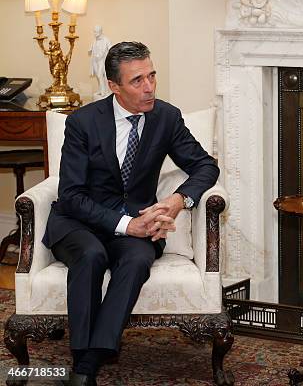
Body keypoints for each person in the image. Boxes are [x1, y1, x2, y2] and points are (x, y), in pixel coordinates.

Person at [43, 41, 220, 386]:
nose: (150, 86)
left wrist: (179, 200)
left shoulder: (166, 118)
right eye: (138, 80)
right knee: (92, 255)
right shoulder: (82, 123)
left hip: (138, 226)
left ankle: (88, 364)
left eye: (152, 76)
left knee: (138, 259)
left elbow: (205, 167)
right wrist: (127, 224)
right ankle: (83, 356)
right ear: (114, 86)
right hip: (78, 222)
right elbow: (71, 195)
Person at [89, 25, 112, 100]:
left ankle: (104, 91)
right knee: (97, 75)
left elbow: (110, 48)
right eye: (94, 31)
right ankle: (101, 89)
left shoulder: (106, 39)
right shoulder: (95, 40)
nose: (95, 33)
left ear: (100, 32)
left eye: (96, 32)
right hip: (95, 60)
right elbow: (93, 47)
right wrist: (90, 50)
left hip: (103, 60)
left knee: (100, 74)